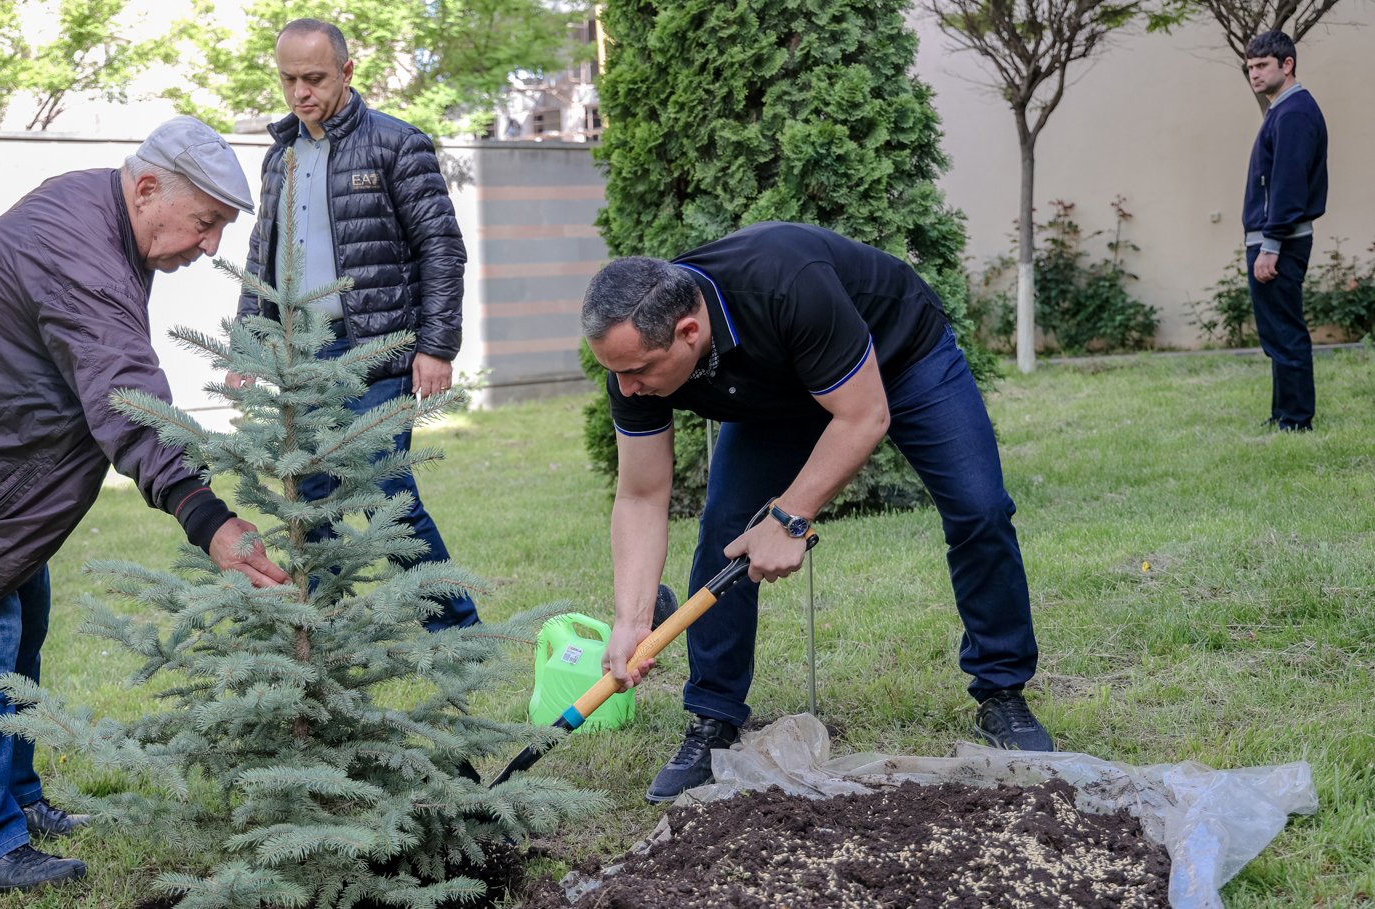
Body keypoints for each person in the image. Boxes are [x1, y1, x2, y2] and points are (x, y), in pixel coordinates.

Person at [0, 116, 290, 892]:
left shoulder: (100, 213)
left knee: (26, 615)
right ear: (147, 189)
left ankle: (15, 799)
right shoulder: (82, 252)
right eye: (206, 221)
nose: (211, 244)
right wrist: (207, 516)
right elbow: (126, 398)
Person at [582, 221, 1054, 804]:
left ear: (689, 332)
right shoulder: (634, 362)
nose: (626, 388)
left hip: (903, 357)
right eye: (616, 372)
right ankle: (713, 719)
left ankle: (1002, 692)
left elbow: (863, 416)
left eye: (638, 372)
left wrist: (789, 519)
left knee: (980, 510)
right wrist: (631, 618)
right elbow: (641, 494)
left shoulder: (786, 285)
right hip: (777, 394)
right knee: (724, 534)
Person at [227, 17, 477, 631]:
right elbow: (263, 255)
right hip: (302, 357)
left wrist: (437, 346)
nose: (300, 92)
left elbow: (441, 249)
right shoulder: (279, 155)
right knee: (311, 500)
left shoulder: (397, 144)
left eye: (314, 78)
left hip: (379, 352)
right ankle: (327, 639)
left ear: (347, 71)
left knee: (385, 495)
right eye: (288, 79)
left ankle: (458, 633)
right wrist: (247, 344)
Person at [1241, 30, 1329, 433]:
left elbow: (1288, 186)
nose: (1254, 73)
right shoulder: (1283, 110)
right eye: (1250, 67)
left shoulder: (1293, 113)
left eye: (1262, 65)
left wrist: (1271, 244)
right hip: (1274, 238)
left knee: (1284, 329)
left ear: (1287, 64)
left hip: (1281, 240)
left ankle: (1296, 420)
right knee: (1277, 330)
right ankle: (1284, 414)